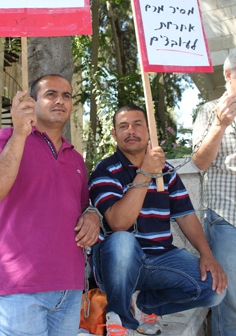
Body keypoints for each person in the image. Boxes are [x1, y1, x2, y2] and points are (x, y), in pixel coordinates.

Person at [88, 104, 227, 336]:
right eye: (123, 126)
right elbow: (119, 223)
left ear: (149, 131)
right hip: (117, 266)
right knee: (123, 241)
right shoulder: (105, 171)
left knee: (214, 289)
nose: (131, 130)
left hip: (159, 260)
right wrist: (145, 172)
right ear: (114, 134)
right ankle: (121, 319)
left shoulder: (167, 171)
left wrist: (207, 255)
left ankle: (144, 306)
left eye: (137, 124)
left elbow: (186, 215)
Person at [0, 74, 101, 336]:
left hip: (69, 290)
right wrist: (21, 133)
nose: (61, 100)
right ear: (32, 102)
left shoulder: (76, 158)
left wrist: (93, 215)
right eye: (51, 94)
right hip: (20, 289)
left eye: (66, 95)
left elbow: (83, 206)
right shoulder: (6, 138)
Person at [192, 50, 236, 336]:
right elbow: (199, 162)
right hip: (225, 218)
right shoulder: (209, 110)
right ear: (229, 75)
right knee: (228, 299)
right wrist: (220, 124)